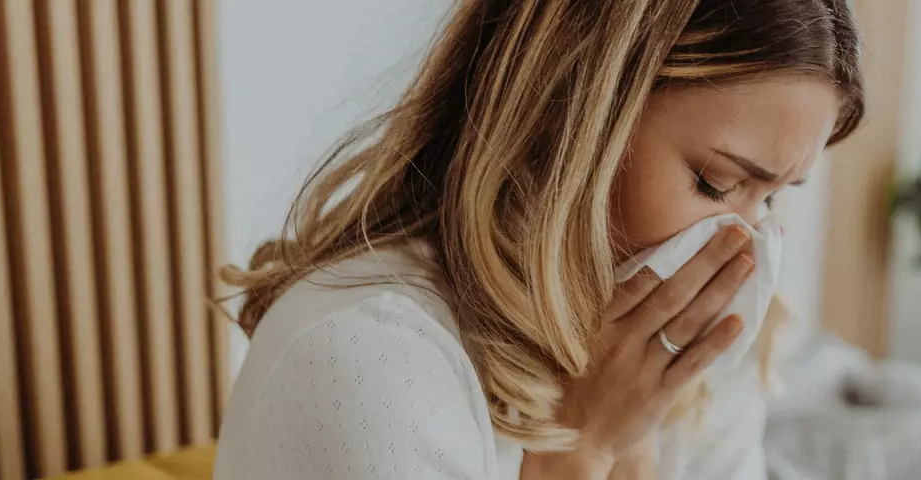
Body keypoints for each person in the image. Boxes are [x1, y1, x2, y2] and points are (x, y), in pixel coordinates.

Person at [214, 0, 863, 478]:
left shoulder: (696, 346)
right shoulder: (368, 360)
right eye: (717, 184)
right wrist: (580, 451)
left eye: (773, 197)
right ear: (570, 118)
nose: (746, 249)